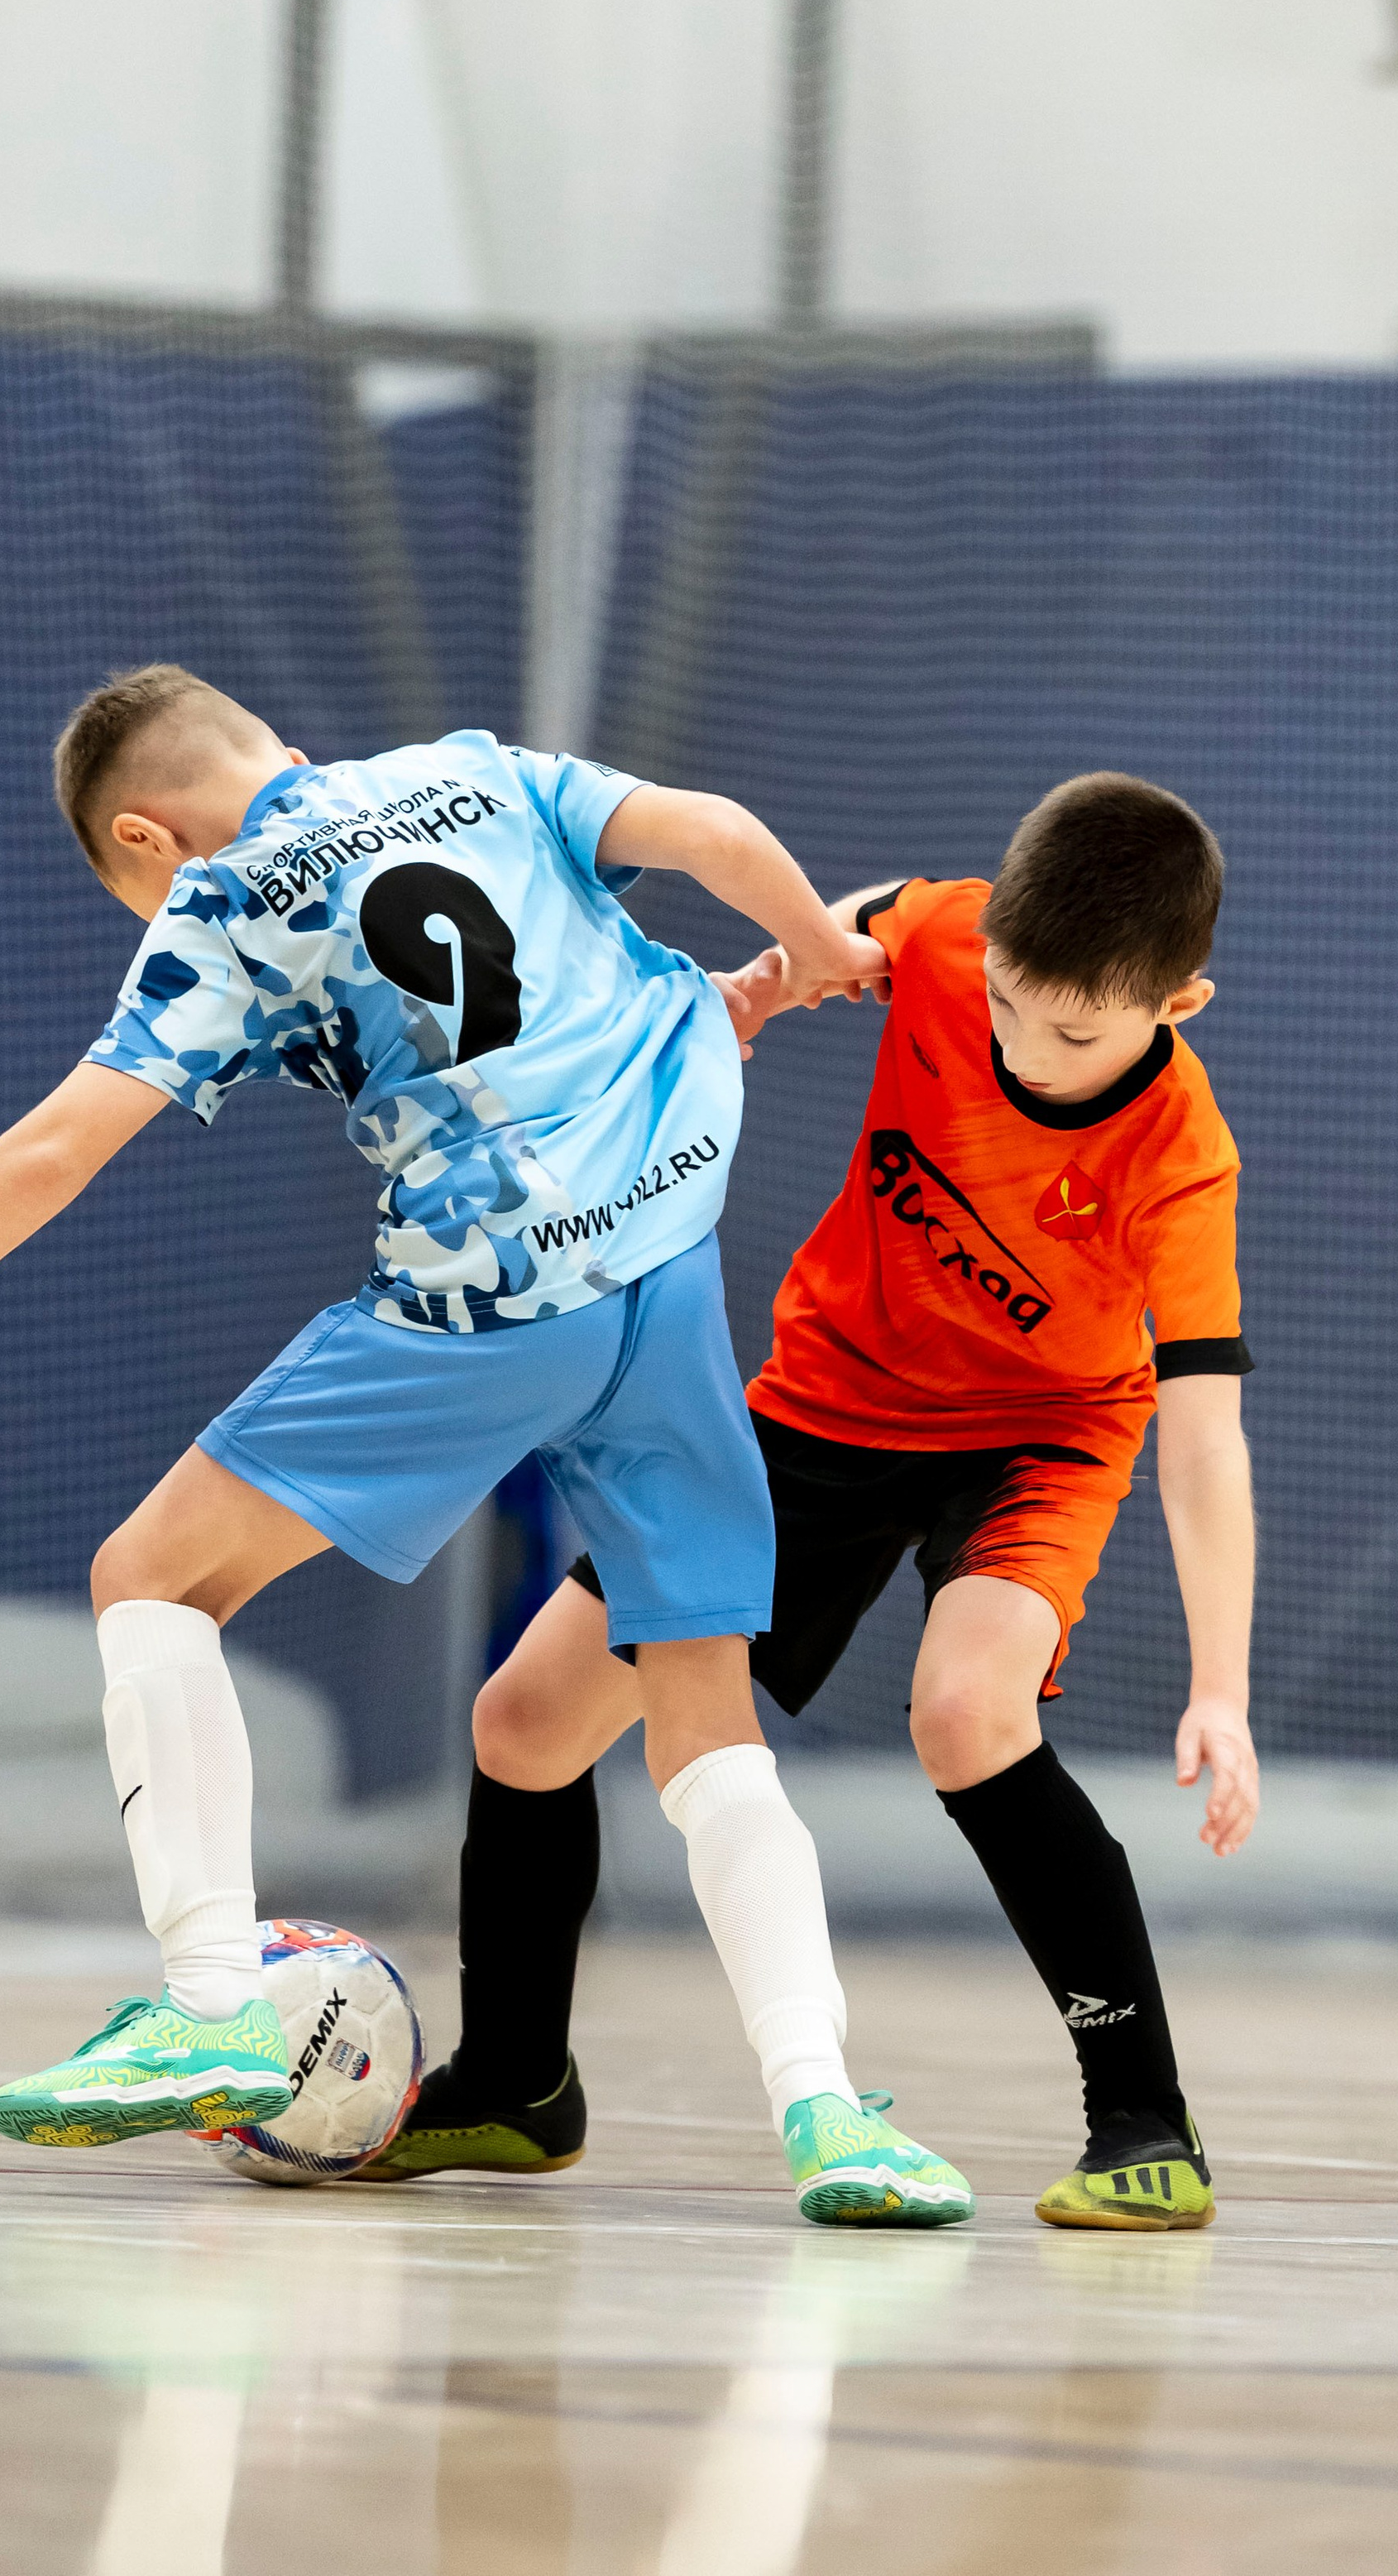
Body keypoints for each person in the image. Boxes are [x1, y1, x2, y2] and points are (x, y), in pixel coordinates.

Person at [0, 662, 974, 2228]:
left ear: (148, 841)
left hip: (486, 1303)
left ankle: (210, 2000)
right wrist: (817, 951)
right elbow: (707, 835)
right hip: (665, 1282)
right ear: (288, 753)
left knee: (152, 1577)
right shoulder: (477, 771)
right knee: (706, 1728)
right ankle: (831, 2117)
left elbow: (58, 1145)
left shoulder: (225, 900)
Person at [362, 774, 1256, 2233]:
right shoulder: (956, 936)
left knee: (969, 1715)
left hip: (1039, 1440)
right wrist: (767, 987)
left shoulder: (1181, 1161)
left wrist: (1220, 1685)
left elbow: (1205, 1436)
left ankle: (1143, 2119)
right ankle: (519, 2082)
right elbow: (855, 931)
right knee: (524, 1722)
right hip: (829, 1408)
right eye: (1012, 1005)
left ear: (1181, 1003)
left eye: (1077, 1031)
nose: (1026, 1046)